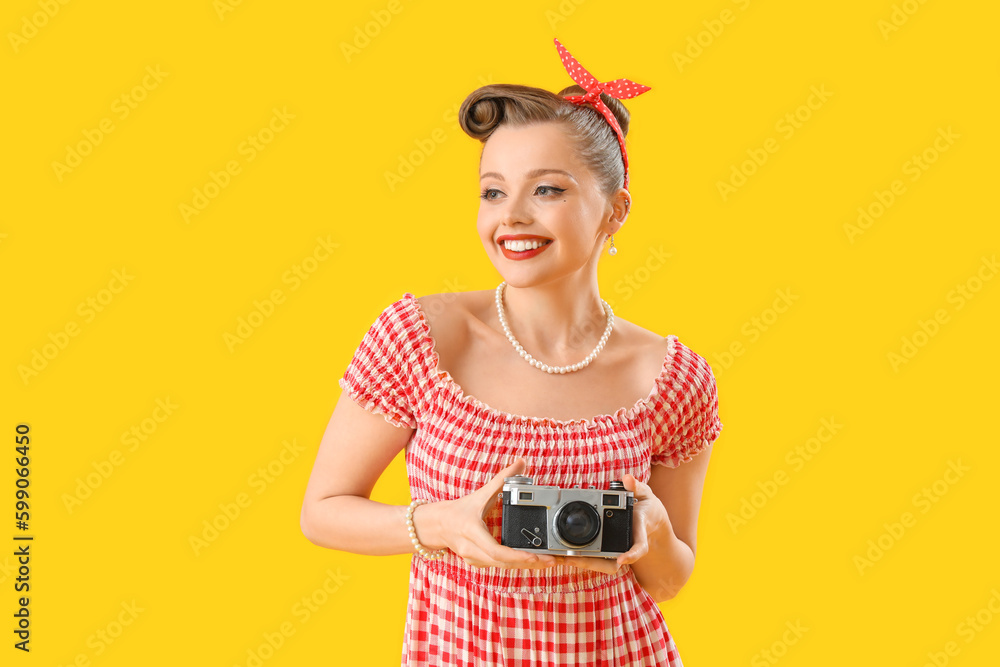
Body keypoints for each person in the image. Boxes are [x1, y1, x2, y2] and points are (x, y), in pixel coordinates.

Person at [300, 38, 723, 666]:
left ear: (615, 212)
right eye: (493, 192)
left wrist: (654, 531)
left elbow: (667, 581)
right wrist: (440, 525)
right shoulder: (419, 338)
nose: (512, 218)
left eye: (547, 190)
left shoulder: (672, 378)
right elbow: (322, 512)